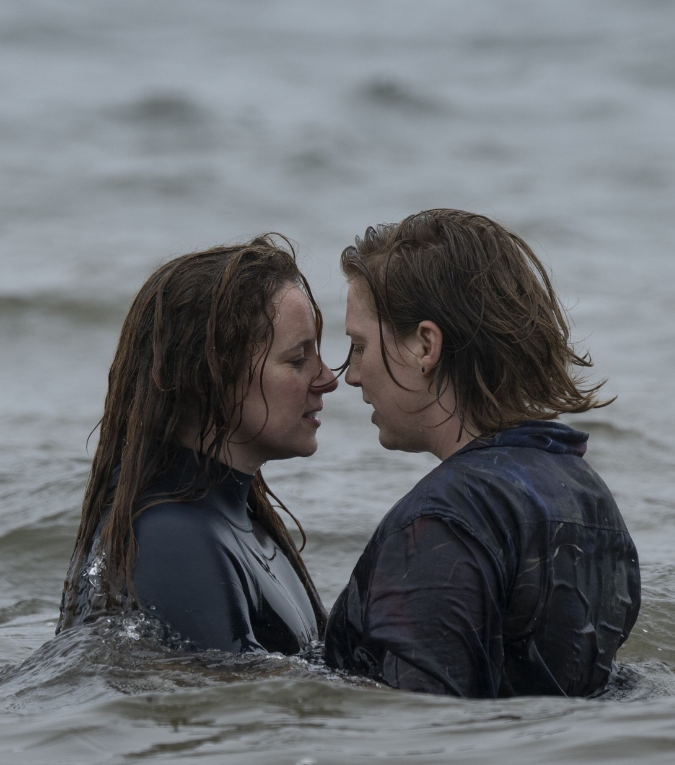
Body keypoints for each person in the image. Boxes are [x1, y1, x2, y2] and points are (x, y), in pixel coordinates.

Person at [325, 209, 640, 698]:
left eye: (359, 345)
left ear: (425, 345)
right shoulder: (586, 493)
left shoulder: (444, 518)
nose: (352, 375)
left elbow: (421, 727)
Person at [58, 236, 337, 654]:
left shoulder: (235, 525)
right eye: (298, 360)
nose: (327, 379)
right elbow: (225, 706)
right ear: (212, 377)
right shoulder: (172, 540)